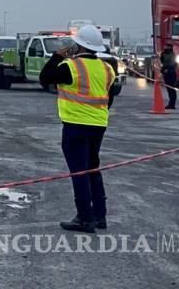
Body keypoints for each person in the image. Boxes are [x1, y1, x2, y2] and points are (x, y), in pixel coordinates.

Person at [39, 25, 121, 233]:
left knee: (79, 171)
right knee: (93, 167)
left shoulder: (70, 67)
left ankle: (84, 218)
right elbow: (108, 98)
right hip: (99, 125)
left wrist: (57, 56)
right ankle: (99, 214)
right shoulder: (107, 68)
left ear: (78, 45)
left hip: (75, 125)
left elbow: (45, 78)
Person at [160, 41, 178, 110]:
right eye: (166, 46)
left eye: (168, 46)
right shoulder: (165, 53)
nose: (167, 47)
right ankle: (171, 104)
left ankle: (172, 104)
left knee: (171, 89)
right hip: (166, 73)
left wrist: (167, 69)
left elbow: (173, 64)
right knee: (169, 89)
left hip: (171, 73)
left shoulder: (172, 54)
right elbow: (162, 61)